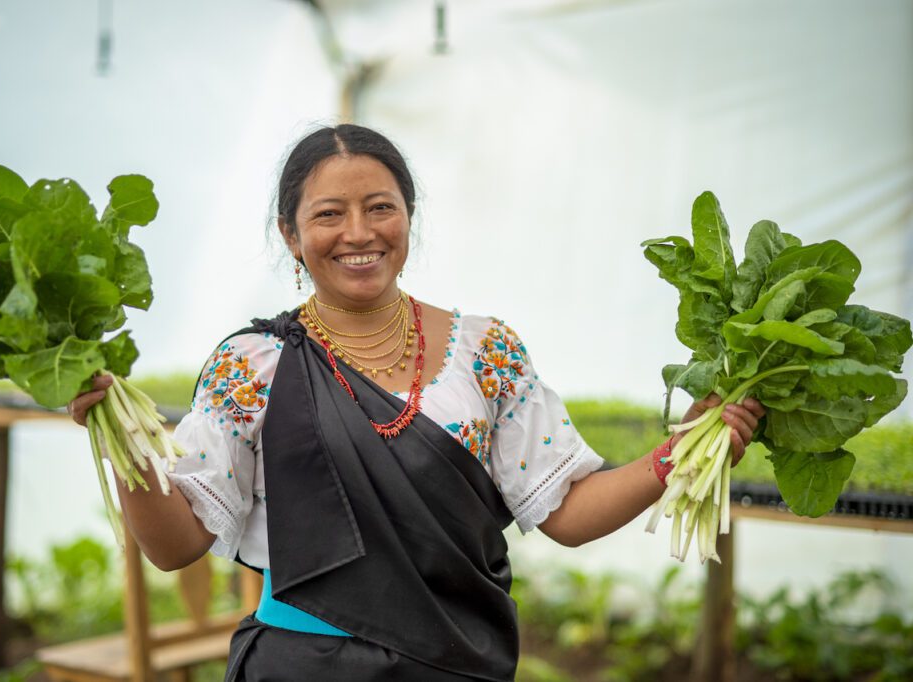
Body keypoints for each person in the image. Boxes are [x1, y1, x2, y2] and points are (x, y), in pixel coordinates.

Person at [68, 123, 765, 681]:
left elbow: (566, 513)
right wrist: (116, 434)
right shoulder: (252, 365)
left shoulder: (485, 353)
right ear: (291, 235)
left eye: (380, 208)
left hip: (455, 660)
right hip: (305, 667)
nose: (359, 233)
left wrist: (677, 455)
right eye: (329, 215)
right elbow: (174, 545)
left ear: (409, 217)